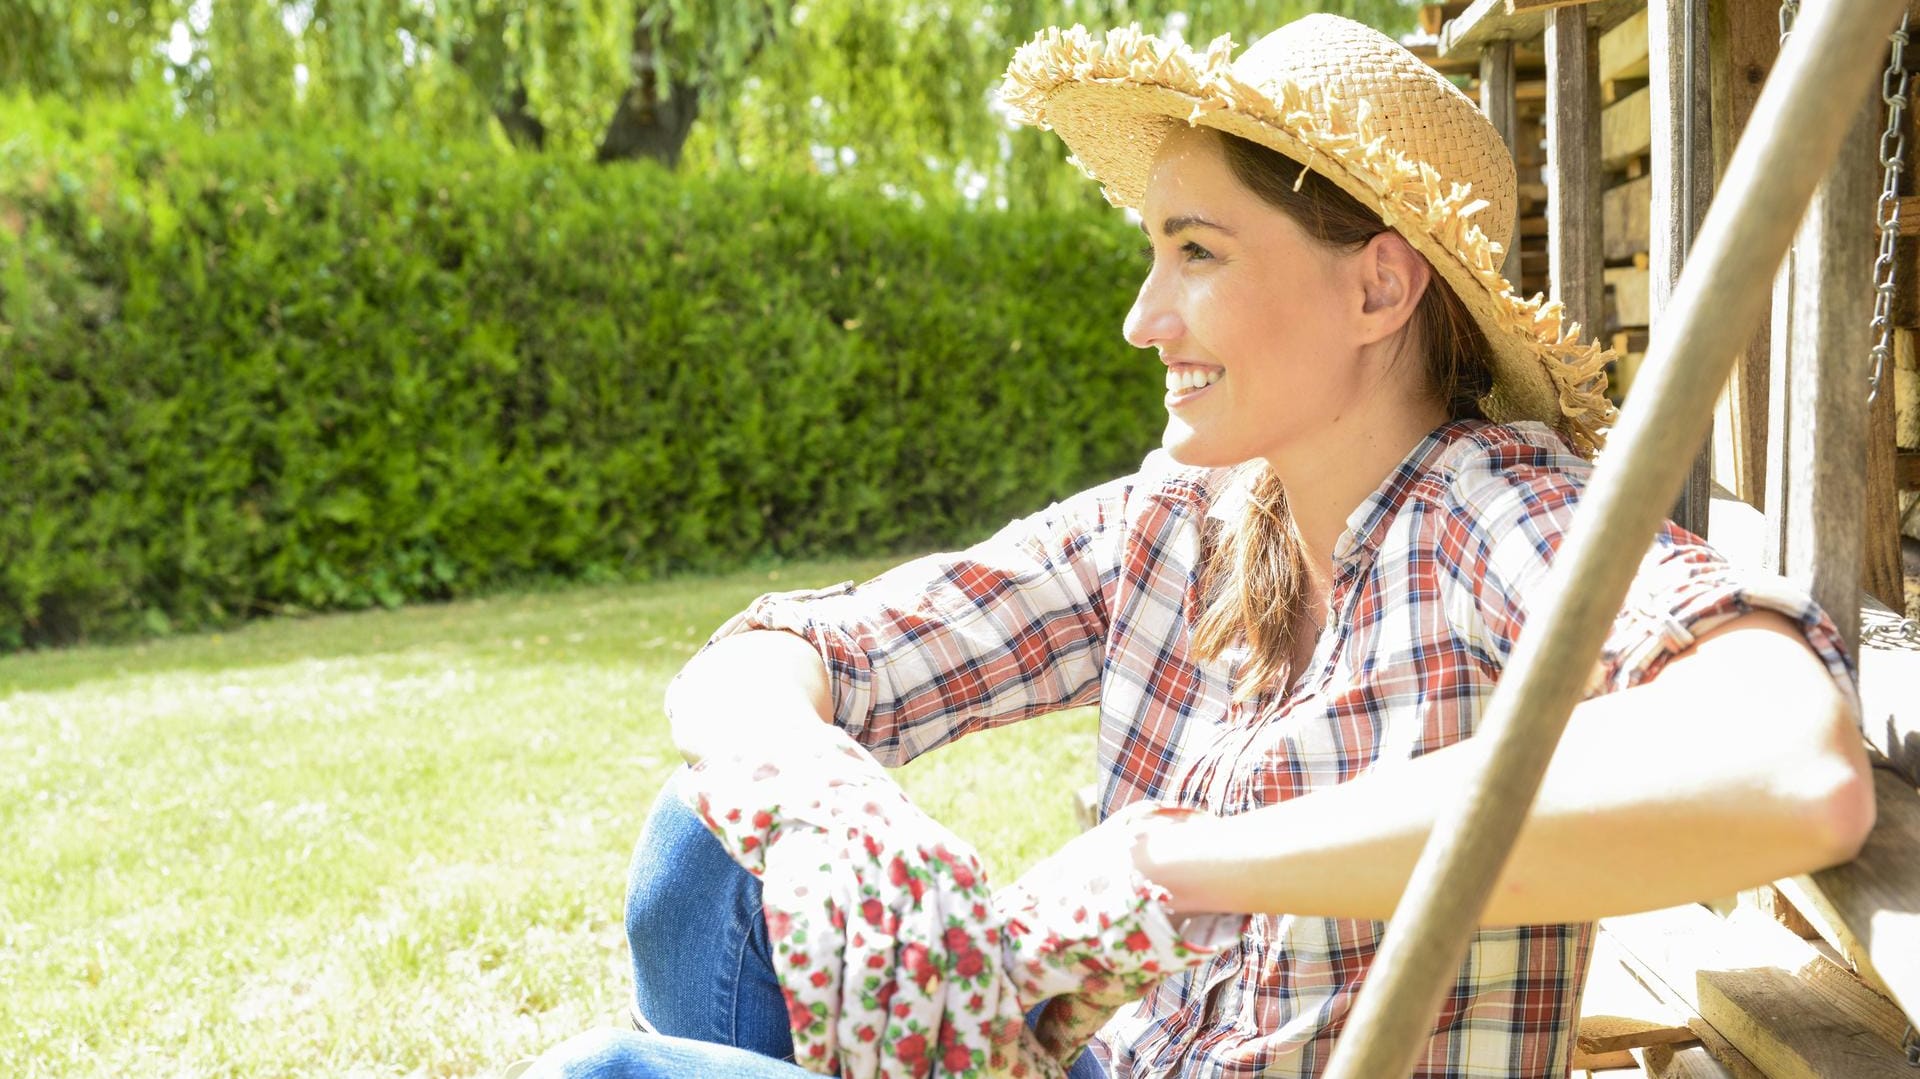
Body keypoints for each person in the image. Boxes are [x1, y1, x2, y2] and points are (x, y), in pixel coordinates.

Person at [523, 14, 1875, 1079]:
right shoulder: (1177, 523)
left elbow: (1790, 768)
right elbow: (765, 659)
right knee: (708, 833)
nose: (1140, 316)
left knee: (608, 1076)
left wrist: (1180, 862)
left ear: (1378, 285)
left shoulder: (1490, 510)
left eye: (1196, 252)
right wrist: (828, 788)